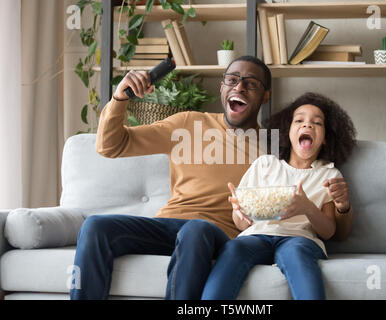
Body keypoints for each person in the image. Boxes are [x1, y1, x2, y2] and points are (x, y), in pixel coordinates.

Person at [69, 56, 353, 300]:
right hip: (167, 225)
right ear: (222, 86)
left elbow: (323, 216)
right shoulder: (186, 124)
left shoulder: (273, 147)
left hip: (213, 233)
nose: (238, 87)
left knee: (196, 229)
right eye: (231, 79)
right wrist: (120, 97)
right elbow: (110, 146)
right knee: (95, 226)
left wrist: (338, 204)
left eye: (250, 83)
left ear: (265, 95)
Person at [201, 92, 356, 300]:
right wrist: (239, 213)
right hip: (256, 236)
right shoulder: (265, 164)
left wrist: (307, 208)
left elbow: (329, 231)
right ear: (288, 131)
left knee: (297, 254)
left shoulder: (328, 174)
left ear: (326, 138)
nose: (307, 126)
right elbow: (241, 224)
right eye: (299, 120)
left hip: (299, 239)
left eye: (317, 123)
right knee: (234, 249)